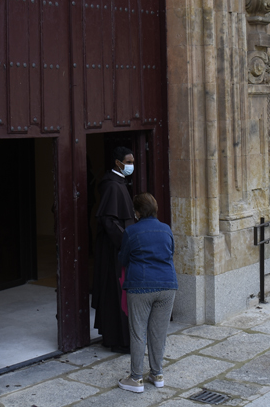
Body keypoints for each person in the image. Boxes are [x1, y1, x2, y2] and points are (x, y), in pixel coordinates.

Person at [116, 192, 178, 393]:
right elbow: (171, 252)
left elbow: (123, 258)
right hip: (167, 284)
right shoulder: (166, 229)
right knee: (158, 332)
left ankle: (136, 378)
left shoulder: (131, 231)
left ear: (137, 212)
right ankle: (157, 374)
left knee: (138, 332)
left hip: (140, 285)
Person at [91, 146, 136, 353]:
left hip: (120, 248)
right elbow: (109, 221)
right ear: (118, 163)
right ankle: (117, 339)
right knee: (115, 293)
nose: (131, 165)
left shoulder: (120, 182)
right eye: (128, 162)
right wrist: (126, 242)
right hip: (114, 251)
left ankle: (123, 338)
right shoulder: (111, 185)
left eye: (132, 162)